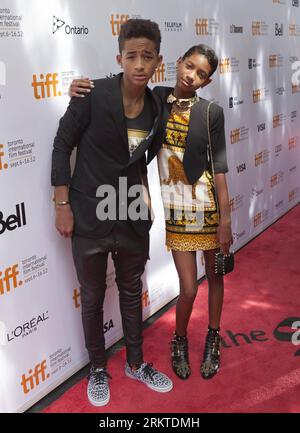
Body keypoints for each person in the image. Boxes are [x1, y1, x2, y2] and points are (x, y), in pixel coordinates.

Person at [70, 44, 233, 381]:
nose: (192, 75)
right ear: (177, 62)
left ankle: (213, 336)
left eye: (201, 74)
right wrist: (80, 89)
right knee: (188, 288)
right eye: (189, 66)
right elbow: (121, 89)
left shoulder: (210, 113)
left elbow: (219, 171)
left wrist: (226, 221)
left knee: (215, 278)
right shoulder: (156, 99)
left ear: (207, 81)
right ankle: (180, 340)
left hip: (208, 209)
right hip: (177, 211)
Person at [51, 18, 173, 408]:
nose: (140, 64)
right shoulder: (91, 94)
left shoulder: (160, 105)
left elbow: (143, 160)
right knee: (92, 296)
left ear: (158, 62)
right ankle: (98, 369)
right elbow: (61, 146)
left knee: (131, 289)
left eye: (148, 57)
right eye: (132, 56)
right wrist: (62, 203)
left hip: (132, 211)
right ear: (120, 57)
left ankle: (136, 364)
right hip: (89, 212)